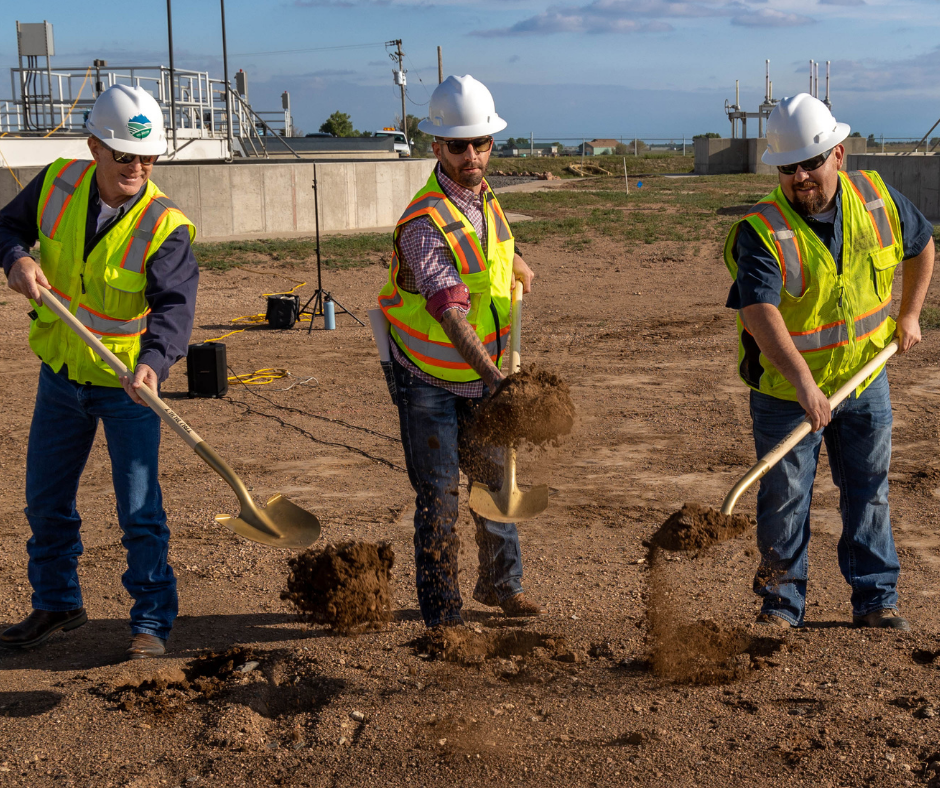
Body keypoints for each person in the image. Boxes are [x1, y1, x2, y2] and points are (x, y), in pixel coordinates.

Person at [0, 85, 198, 659]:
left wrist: (153, 366)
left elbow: (174, 311)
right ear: (94, 148)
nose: (137, 167)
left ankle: (151, 622)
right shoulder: (57, 182)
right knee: (45, 501)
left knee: (139, 511)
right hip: (61, 374)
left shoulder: (167, 226)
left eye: (147, 156)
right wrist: (17, 259)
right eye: (124, 155)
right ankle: (58, 603)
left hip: (127, 387)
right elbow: (5, 230)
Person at [724, 93, 934, 631]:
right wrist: (803, 383)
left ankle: (876, 599)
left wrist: (910, 316)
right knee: (784, 498)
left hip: (866, 378)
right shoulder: (761, 229)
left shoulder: (876, 198)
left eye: (811, 163)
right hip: (785, 393)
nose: (800, 177)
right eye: (788, 167)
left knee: (869, 491)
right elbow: (758, 310)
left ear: (838, 154)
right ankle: (780, 606)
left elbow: (923, 244)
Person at [377, 75, 543, 628]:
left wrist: (515, 261)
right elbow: (450, 314)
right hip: (428, 376)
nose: (471, 156)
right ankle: (442, 611)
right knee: (441, 495)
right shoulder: (423, 224)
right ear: (436, 147)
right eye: (458, 146)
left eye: (480, 143)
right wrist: (500, 383)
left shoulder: (485, 198)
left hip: (482, 374)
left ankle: (501, 585)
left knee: (497, 480)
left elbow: (491, 255)